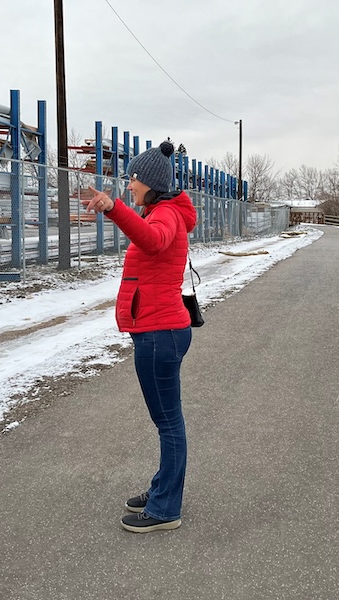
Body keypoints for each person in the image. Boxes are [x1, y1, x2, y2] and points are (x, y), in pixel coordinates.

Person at [83, 140, 197, 533]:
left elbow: (152, 241)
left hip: (159, 332)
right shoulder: (163, 211)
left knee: (168, 423)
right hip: (159, 328)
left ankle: (166, 509)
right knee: (167, 420)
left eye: (133, 179)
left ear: (150, 182)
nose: (128, 185)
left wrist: (114, 208)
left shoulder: (165, 215)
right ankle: (164, 488)